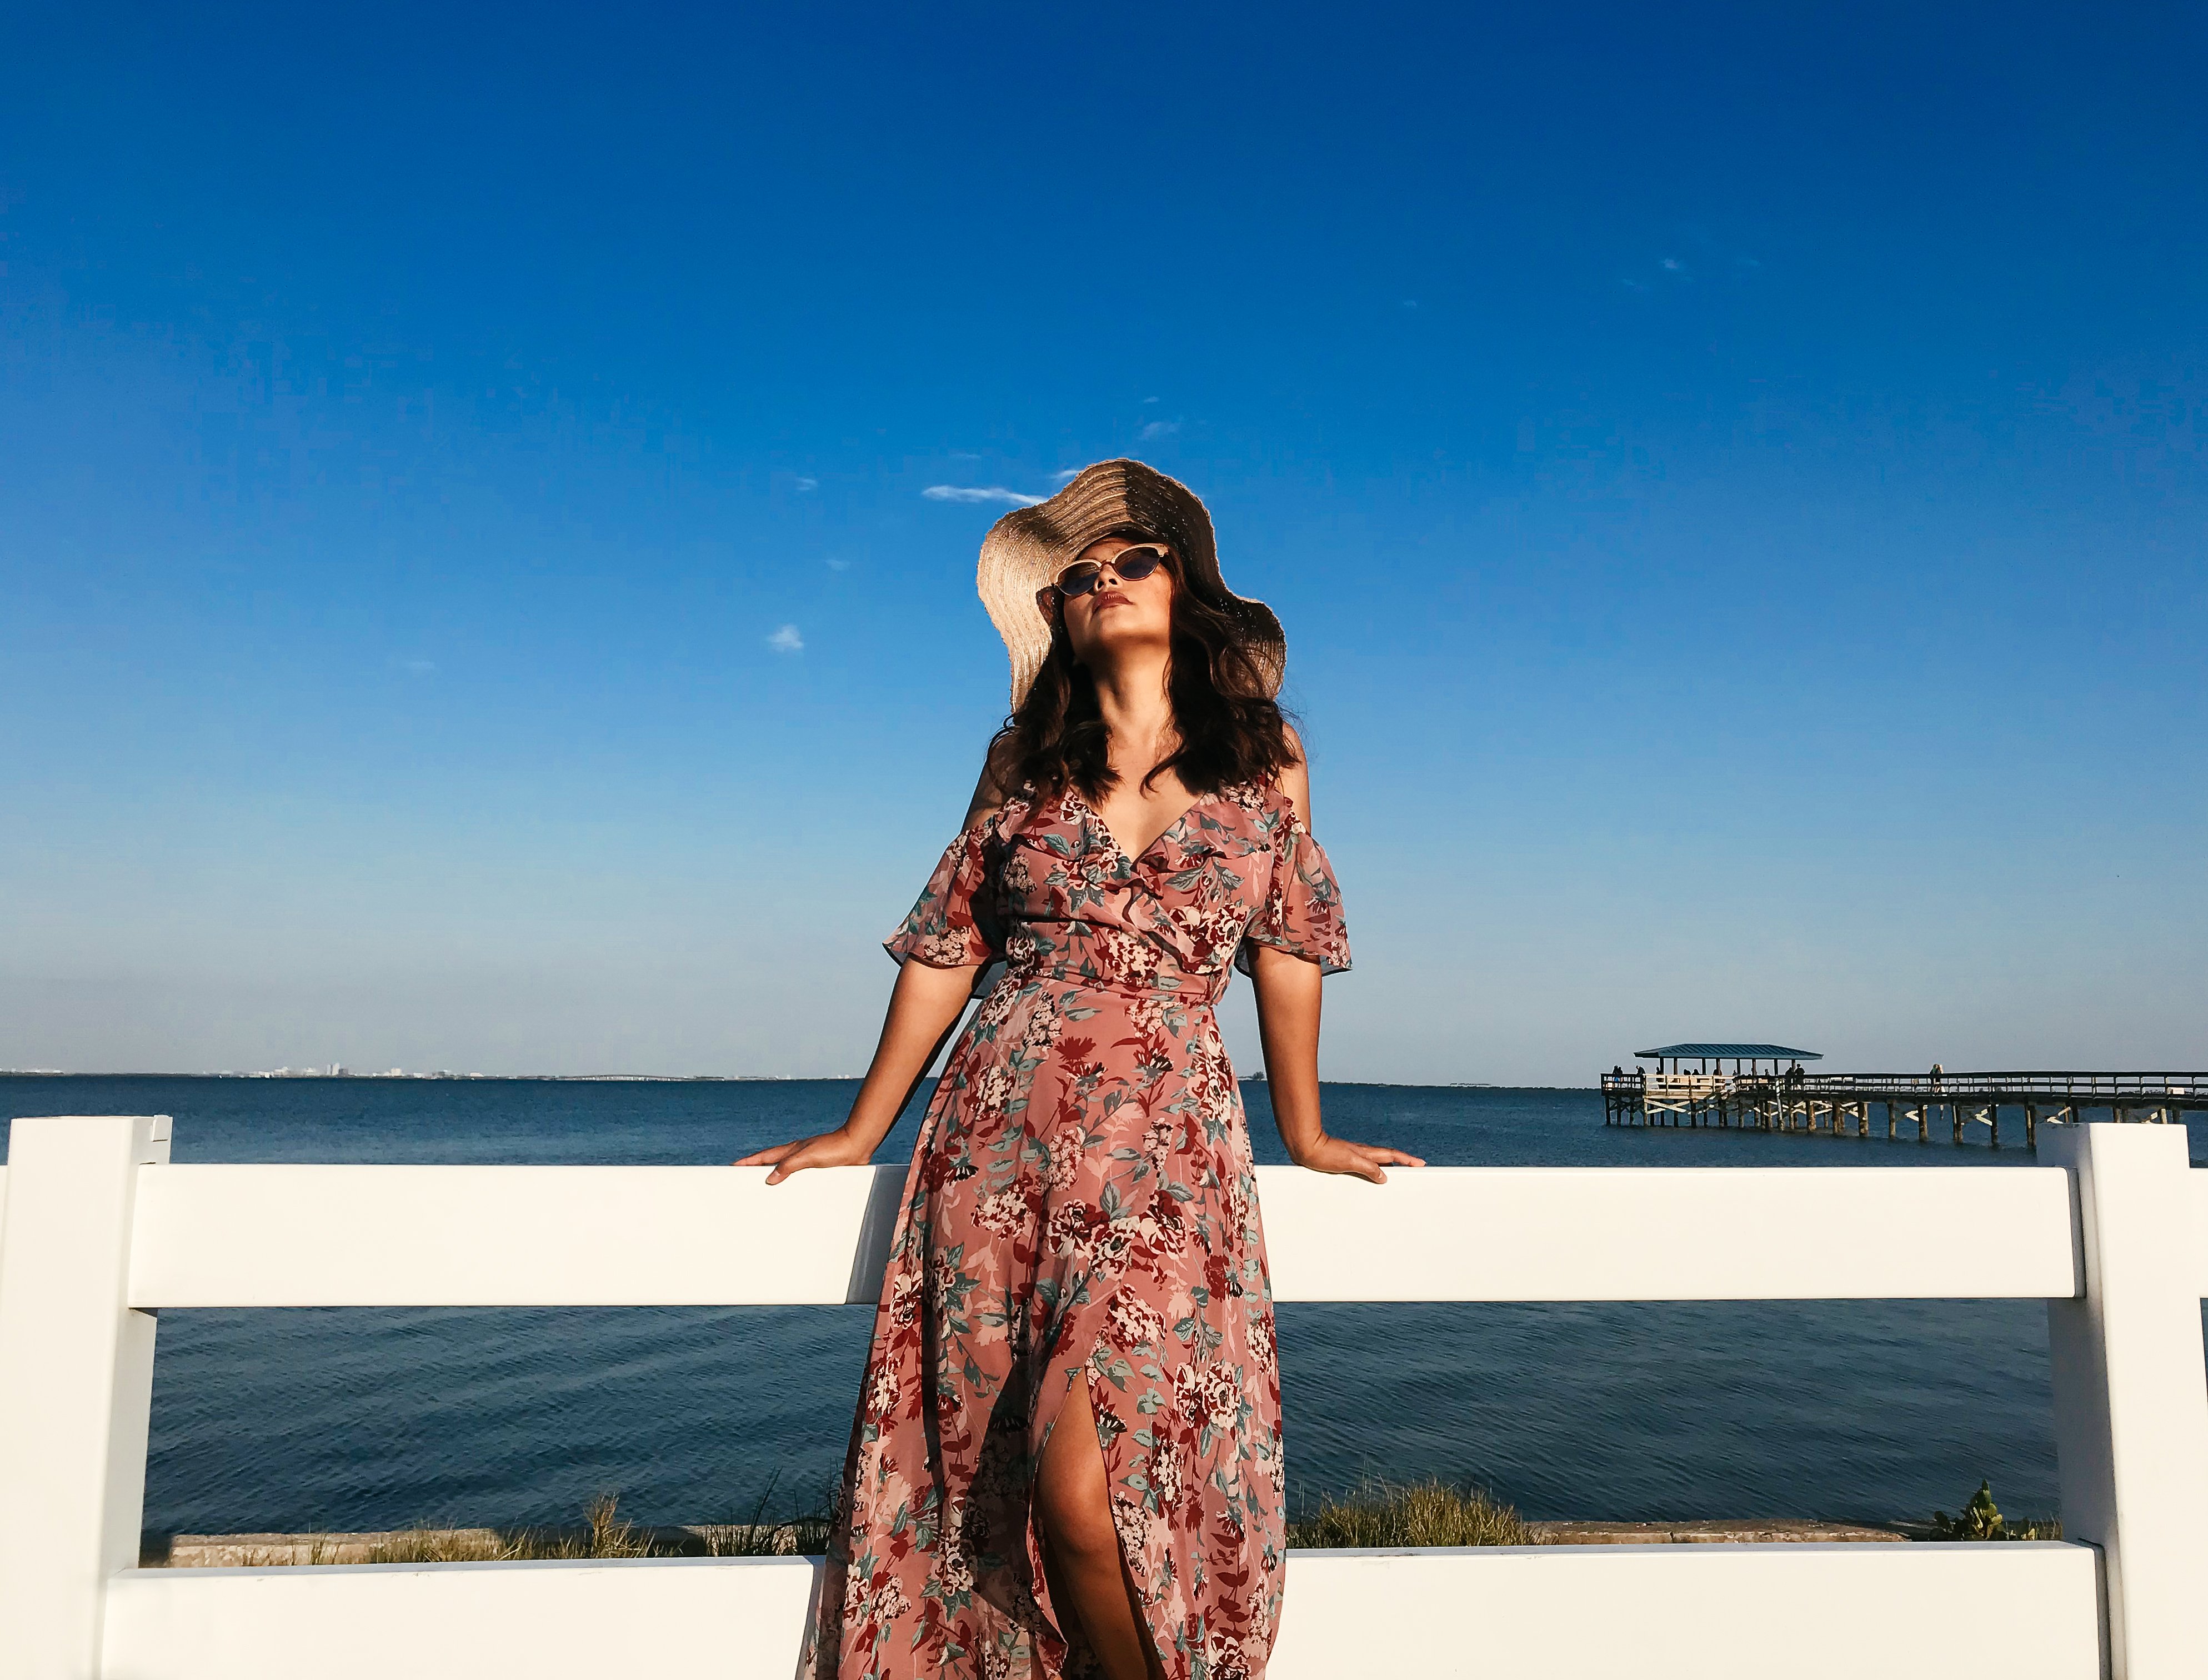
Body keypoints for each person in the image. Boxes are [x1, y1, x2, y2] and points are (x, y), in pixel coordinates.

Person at [738, 460, 1421, 1680]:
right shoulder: (1021, 761)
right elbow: (949, 950)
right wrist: (860, 1130)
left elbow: (1286, 950)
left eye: (1133, 562)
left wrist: (1306, 1131)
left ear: (1188, 591)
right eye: (1079, 577)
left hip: (1168, 1153)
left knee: (1087, 1492)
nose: (1104, 582)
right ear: (1056, 617)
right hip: (998, 1146)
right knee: (995, 1480)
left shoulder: (1267, 758)